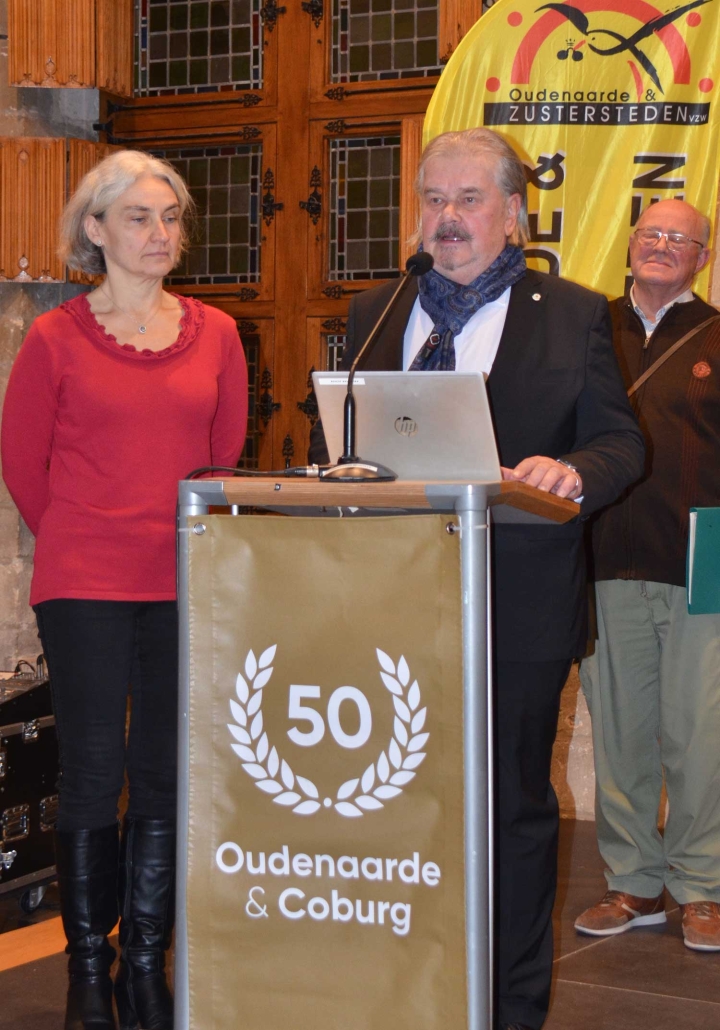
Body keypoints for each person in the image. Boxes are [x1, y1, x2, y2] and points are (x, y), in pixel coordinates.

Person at [309, 127, 645, 1030]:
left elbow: (621, 443)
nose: (446, 219)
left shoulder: (573, 313)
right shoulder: (377, 310)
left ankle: (508, 1004)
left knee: (510, 814)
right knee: (396, 806)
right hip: (387, 609)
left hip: (518, 608)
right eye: (433, 199)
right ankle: (407, 991)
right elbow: (337, 443)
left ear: (512, 215)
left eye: (467, 201)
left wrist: (574, 471)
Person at [1, 151, 248, 1030]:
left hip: (186, 580)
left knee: (164, 773)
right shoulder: (55, 337)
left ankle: (145, 961)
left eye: (170, 217)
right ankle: (84, 968)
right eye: (139, 217)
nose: (160, 234)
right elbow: (23, 464)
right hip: (86, 580)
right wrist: (81, 532)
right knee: (92, 769)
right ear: (95, 230)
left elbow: (224, 457)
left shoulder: (216, 332)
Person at [575, 199, 720, 952]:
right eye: (652, 235)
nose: (664, 247)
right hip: (604, 551)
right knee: (621, 733)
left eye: (682, 241)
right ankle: (633, 882)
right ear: (631, 245)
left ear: (702, 257)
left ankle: (703, 888)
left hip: (708, 553)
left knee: (701, 733)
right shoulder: (585, 328)